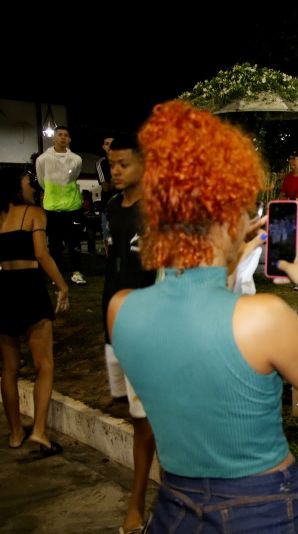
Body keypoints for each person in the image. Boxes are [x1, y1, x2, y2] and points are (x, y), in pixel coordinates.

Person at [107, 100, 298, 530]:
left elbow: (191, 309)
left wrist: (227, 250)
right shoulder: (261, 318)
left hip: (175, 507)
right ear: (226, 217)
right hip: (261, 509)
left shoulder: (123, 310)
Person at [102, 134, 158, 534]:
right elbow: (113, 267)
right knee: (137, 415)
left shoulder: (157, 211)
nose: (115, 171)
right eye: (112, 164)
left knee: (146, 420)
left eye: (123, 164)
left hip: (151, 329)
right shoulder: (111, 209)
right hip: (115, 325)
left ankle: (137, 504)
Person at [0, 167, 69, 455]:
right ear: (18, 187)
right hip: (29, 288)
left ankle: (15, 433)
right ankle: (38, 431)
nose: (33, 185)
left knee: (9, 370)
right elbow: (41, 254)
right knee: (45, 365)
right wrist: (62, 285)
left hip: (3, 288)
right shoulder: (35, 214)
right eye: (29, 181)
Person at [35, 125, 87, 285]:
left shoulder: (77, 159)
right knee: (55, 244)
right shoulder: (42, 159)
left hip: (73, 207)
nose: (63, 137)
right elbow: (42, 181)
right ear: (54, 138)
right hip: (52, 208)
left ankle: (76, 272)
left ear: (69, 139)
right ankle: (55, 274)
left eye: (66, 135)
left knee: (74, 242)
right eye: (60, 135)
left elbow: (75, 177)